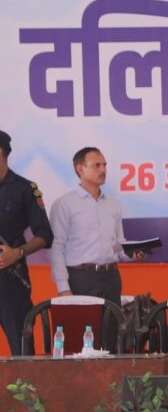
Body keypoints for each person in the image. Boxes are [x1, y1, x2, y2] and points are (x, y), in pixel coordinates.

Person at [48, 147, 146, 350]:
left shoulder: (113, 204)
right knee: (81, 337)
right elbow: (56, 248)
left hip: (110, 277)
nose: (103, 170)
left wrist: (131, 254)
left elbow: (117, 245)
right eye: (96, 165)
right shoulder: (64, 204)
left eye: (104, 165)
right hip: (80, 278)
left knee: (110, 336)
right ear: (80, 169)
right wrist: (64, 288)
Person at [0, 131, 53, 356]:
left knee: (22, 349)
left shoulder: (24, 188)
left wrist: (17, 253)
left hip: (10, 277)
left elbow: (45, 235)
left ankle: (26, 382)